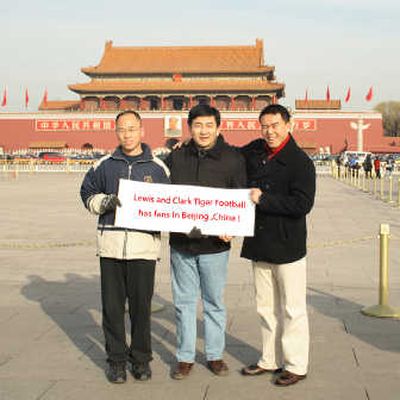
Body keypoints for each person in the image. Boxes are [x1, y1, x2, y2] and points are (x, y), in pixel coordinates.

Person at [80, 110, 170, 383]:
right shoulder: (104, 165)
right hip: (111, 246)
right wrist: (103, 202)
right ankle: (116, 361)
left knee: (141, 308)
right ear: (116, 132)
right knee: (112, 308)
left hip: (143, 249)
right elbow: (86, 194)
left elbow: (169, 204)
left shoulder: (158, 168)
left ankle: (141, 360)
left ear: (142, 131)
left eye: (132, 129)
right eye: (122, 129)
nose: (127, 134)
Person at [166, 104, 247, 379]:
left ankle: (214, 355)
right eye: (198, 125)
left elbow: (241, 197)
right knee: (184, 302)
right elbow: (161, 196)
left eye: (208, 125)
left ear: (218, 127)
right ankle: (185, 357)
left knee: (214, 302)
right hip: (181, 244)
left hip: (215, 247)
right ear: (190, 128)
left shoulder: (232, 159)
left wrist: (233, 227)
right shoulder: (176, 158)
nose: (203, 131)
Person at [239, 104, 316, 386]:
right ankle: (268, 359)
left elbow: (302, 204)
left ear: (288, 125)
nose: (269, 132)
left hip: (288, 246)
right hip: (259, 242)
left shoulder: (300, 162)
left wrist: (264, 199)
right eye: (264, 126)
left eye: (275, 125)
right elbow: (231, 157)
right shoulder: (255, 151)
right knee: (265, 307)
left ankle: (296, 364)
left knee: (293, 309)